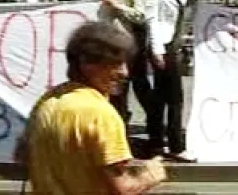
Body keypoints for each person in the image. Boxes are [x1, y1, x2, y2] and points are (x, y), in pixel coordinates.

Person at [20, 21, 167, 195]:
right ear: (87, 63)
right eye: (115, 64)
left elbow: (22, 154)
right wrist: (151, 174)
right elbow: (123, 188)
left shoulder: (46, 102)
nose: (124, 72)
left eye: (125, 64)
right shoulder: (100, 114)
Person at [90, 0, 151, 125]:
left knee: (119, 91)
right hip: (97, 46)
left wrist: (119, 7)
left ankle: (120, 128)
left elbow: (141, 16)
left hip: (121, 45)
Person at [143, 0, 194, 161]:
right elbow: (152, 22)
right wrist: (157, 50)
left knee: (161, 97)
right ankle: (175, 146)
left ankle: (156, 144)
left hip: (172, 47)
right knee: (174, 98)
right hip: (163, 47)